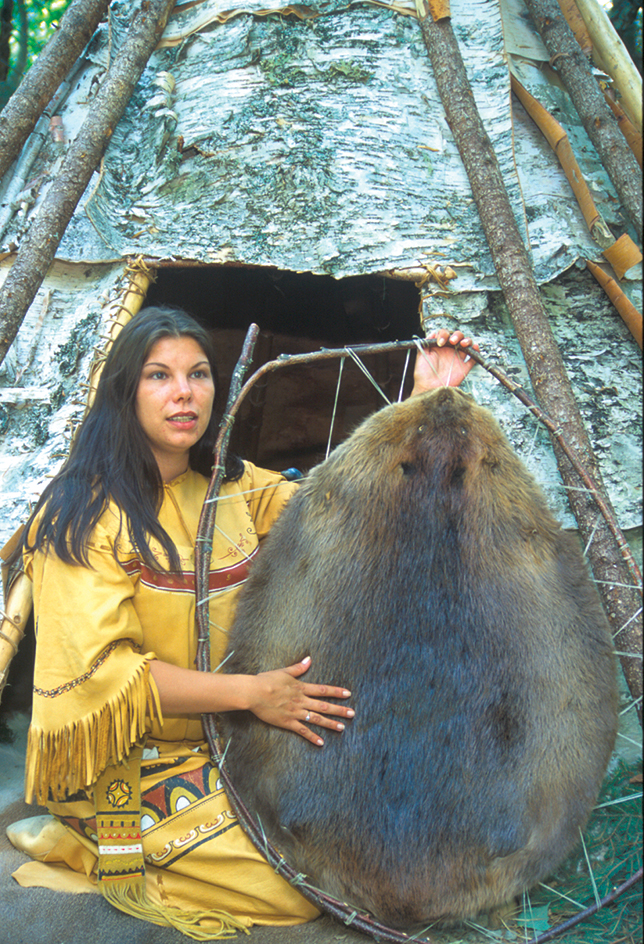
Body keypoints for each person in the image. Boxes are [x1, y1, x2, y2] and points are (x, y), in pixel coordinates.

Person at [6, 306, 477, 939]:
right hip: (132, 761)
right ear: (124, 391)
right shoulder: (84, 514)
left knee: (370, 828)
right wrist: (254, 694)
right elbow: (104, 677)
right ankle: (98, 844)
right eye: (158, 376)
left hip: (233, 735)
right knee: (295, 883)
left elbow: (336, 508)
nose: (184, 393)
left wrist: (422, 401)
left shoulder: (229, 484)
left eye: (198, 374)